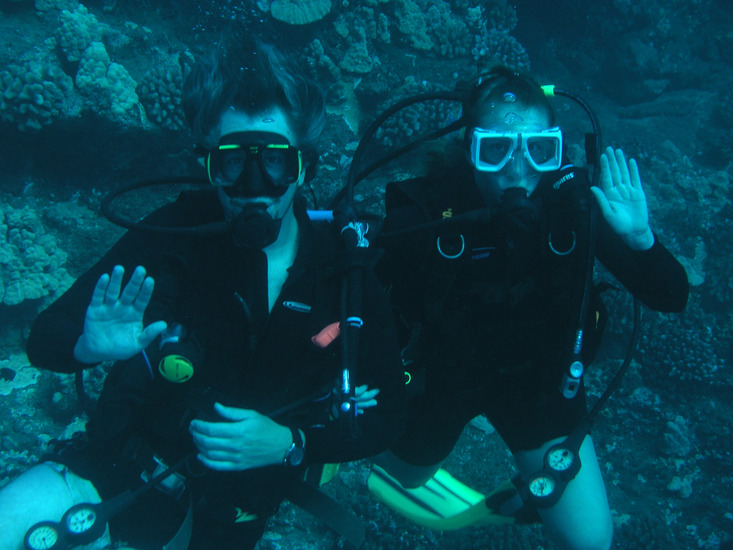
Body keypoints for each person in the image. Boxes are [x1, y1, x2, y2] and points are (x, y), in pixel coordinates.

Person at [0, 39, 404, 550]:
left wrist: (293, 444)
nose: (255, 186)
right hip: (121, 467)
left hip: (236, 505)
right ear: (208, 163)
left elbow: (390, 414)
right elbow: (44, 337)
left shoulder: (341, 268)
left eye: (275, 162)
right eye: (232, 163)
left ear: (303, 165)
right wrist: (86, 346)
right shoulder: (174, 235)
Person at [370, 68, 689, 550]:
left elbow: (671, 296)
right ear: (469, 148)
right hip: (444, 379)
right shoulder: (428, 212)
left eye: (539, 150)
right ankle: (517, 486)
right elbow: (369, 305)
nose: (518, 172)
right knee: (403, 478)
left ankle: (527, 493)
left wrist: (641, 240)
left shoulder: (575, 206)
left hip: (539, 383)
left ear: (555, 149)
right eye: (496, 150)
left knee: (590, 541)